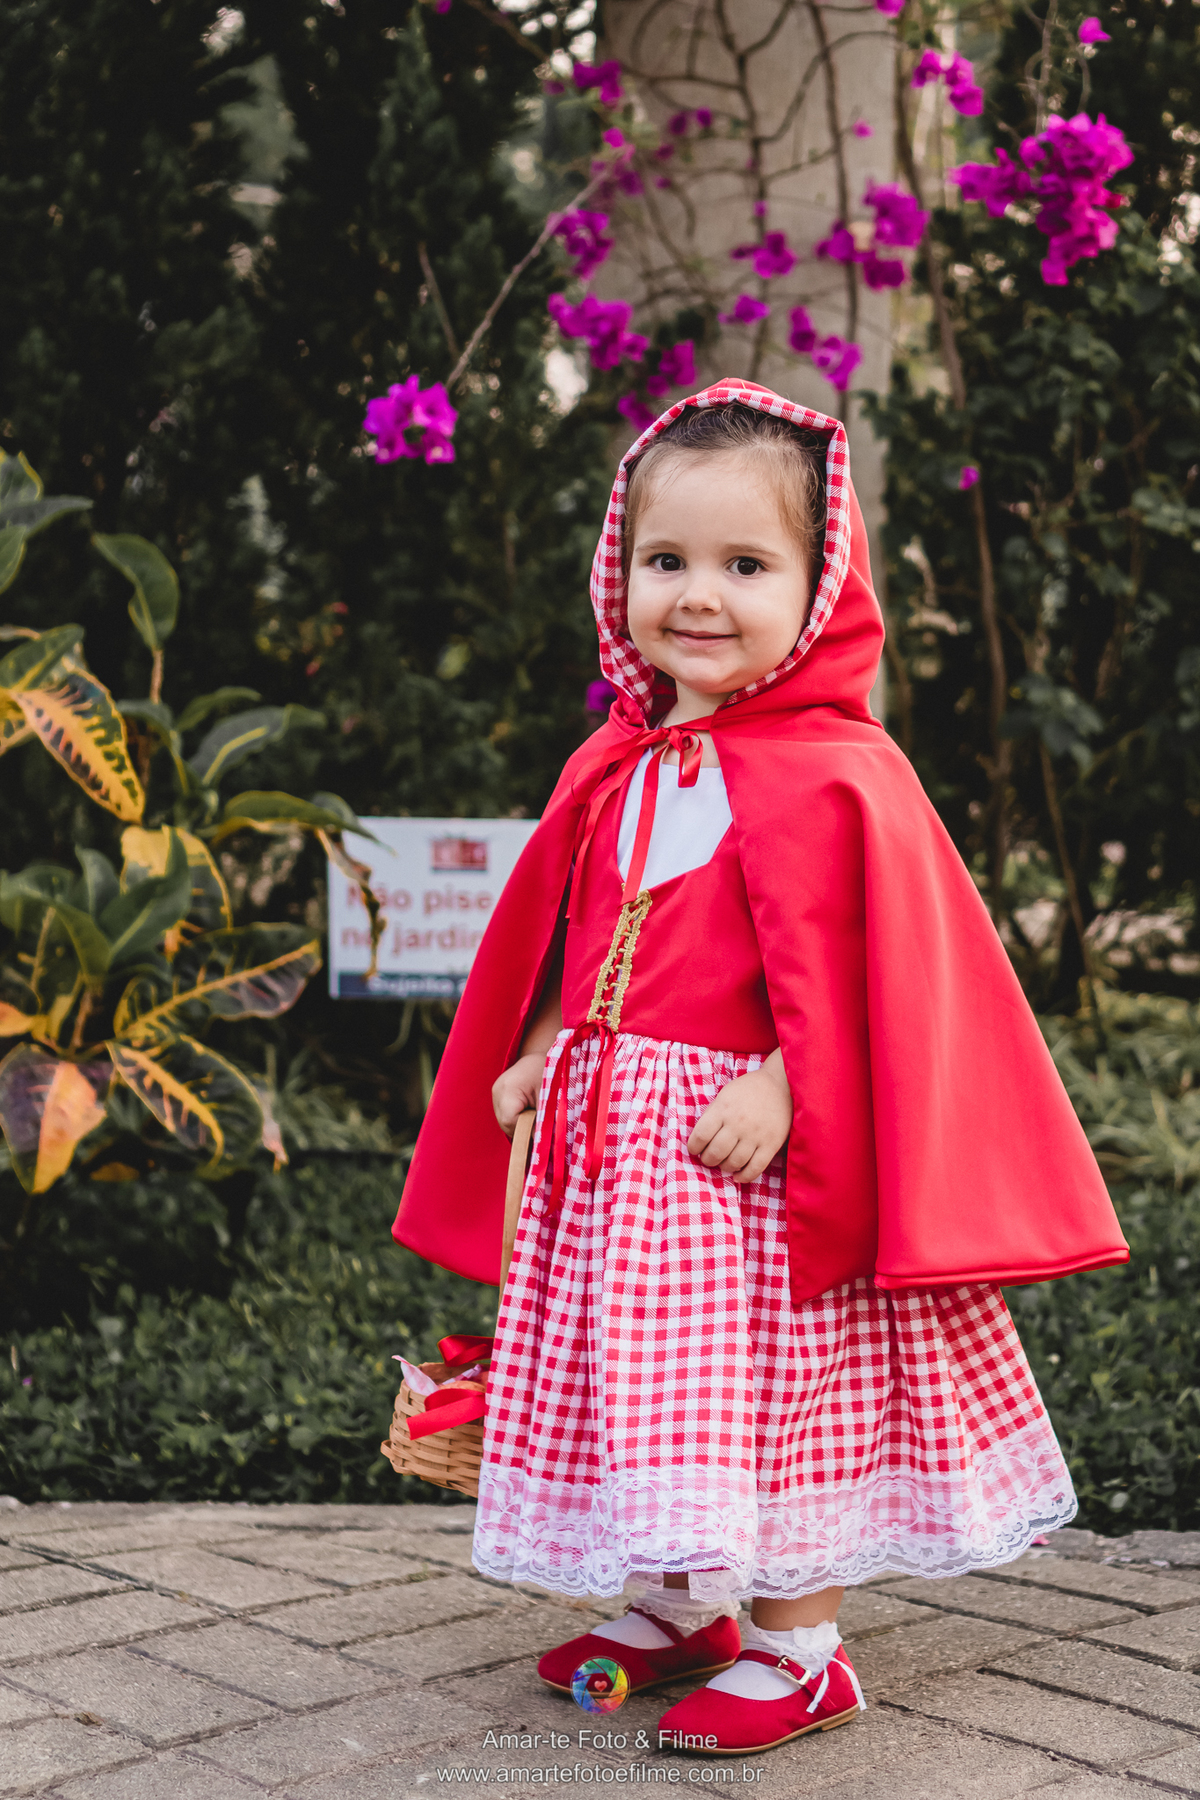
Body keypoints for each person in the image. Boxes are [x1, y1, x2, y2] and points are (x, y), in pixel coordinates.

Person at [394, 378, 1128, 1757]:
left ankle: (803, 1648)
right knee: (647, 1380)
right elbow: (583, 930)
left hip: (755, 1176)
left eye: (747, 565)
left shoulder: (844, 773)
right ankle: (681, 1607)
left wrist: (794, 1082)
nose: (700, 595)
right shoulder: (615, 763)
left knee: (779, 1396)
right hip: (625, 1173)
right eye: (667, 561)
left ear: (818, 583)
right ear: (623, 575)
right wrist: (546, 1047)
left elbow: (881, 975)